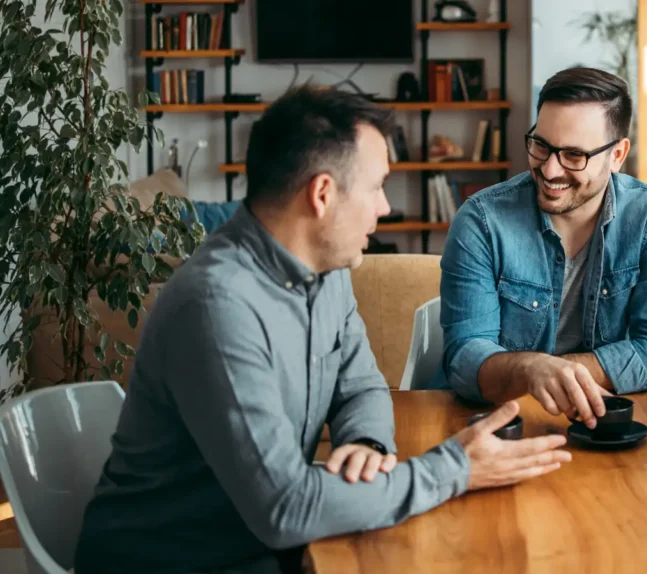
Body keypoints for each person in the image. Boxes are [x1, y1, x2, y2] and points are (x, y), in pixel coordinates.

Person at [74, 85, 572, 574]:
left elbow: (360, 385)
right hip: (179, 559)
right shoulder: (216, 307)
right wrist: (456, 469)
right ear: (322, 194)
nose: (384, 207)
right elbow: (285, 510)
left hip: (261, 543)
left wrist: (367, 446)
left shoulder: (325, 269)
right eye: (377, 187)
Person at [435, 67, 647, 429]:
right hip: (495, 424)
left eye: (573, 155)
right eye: (541, 145)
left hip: (601, 425)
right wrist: (531, 370)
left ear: (617, 154)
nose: (550, 169)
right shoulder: (481, 220)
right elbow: (464, 361)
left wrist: (556, 372)